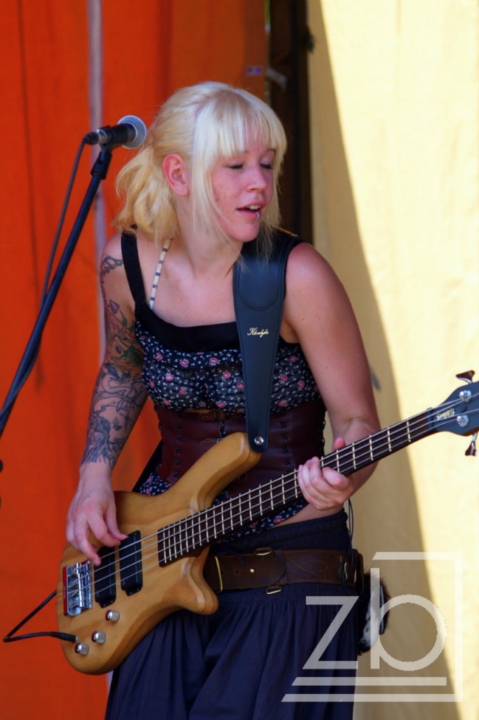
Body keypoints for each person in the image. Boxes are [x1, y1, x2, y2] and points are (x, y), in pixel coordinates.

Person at [66, 81, 380, 720]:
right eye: (234, 167)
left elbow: (357, 420)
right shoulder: (126, 263)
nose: (259, 184)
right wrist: (93, 476)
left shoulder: (297, 275)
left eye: (267, 164)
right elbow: (124, 369)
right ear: (177, 174)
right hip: (163, 555)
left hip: (288, 564)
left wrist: (346, 472)